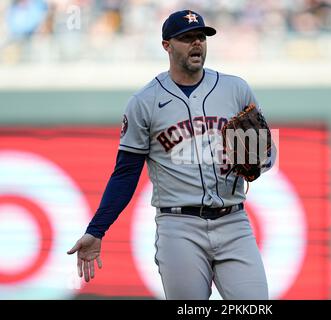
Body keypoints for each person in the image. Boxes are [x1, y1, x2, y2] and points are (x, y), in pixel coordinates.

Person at [67, 9, 276, 300]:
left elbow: (267, 156)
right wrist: (97, 229)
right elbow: (125, 174)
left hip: (233, 221)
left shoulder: (235, 88)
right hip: (180, 226)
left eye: (201, 37)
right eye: (187, 38)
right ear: (166, 45)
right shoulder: (145, 102)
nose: (197, 44)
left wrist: (255, 158)